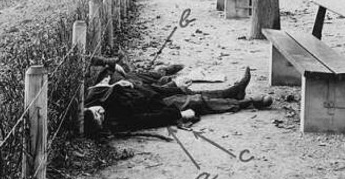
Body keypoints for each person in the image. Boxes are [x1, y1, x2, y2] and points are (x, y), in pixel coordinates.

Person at [83, 56, 272, 134]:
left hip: (148, 91)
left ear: (88, 108)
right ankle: (246, 102)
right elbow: (147, 120)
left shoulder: (94, 95)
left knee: (189, 93)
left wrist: (112, 68)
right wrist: (178, 115)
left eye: (96, 112)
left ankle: (233, 92)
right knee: (196, 101)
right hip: (155, 104)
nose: (101, 112)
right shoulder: (115, 122)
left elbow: (104, 76)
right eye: (100, 118)